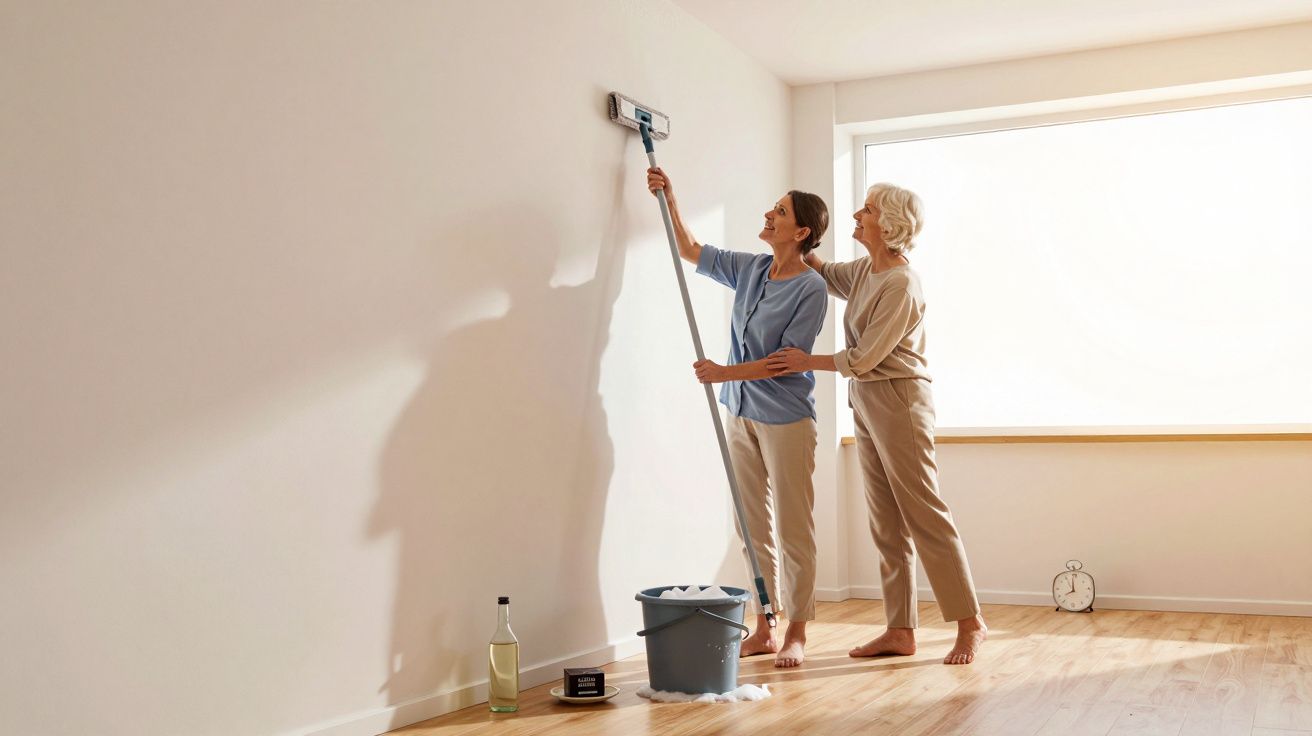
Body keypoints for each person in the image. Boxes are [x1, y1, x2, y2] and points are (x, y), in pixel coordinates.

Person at [767, 183, 987, 665]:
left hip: (900, 398)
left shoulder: (901, 284)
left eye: (865, 210)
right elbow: (822, 271)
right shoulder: (867, 270)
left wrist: (806, 361)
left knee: (924, 513)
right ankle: (899, 629)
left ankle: (970, 623)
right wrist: (789, 238)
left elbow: (866, 357)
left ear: (886, 224)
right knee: (885, 521)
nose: (856, 214)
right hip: (865, 400)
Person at [647, 166, 828, 668]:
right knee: (749, 525)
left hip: (787, 420)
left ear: (801, 232)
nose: (769, 214)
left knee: (794, 527)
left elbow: (786, 359)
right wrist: (670, 195)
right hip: (741, 413)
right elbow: (689, 248)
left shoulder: (810, 289)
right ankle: (765, 625)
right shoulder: (750, 269)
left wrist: (725, 372)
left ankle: (797, 631)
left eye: (780, 211)